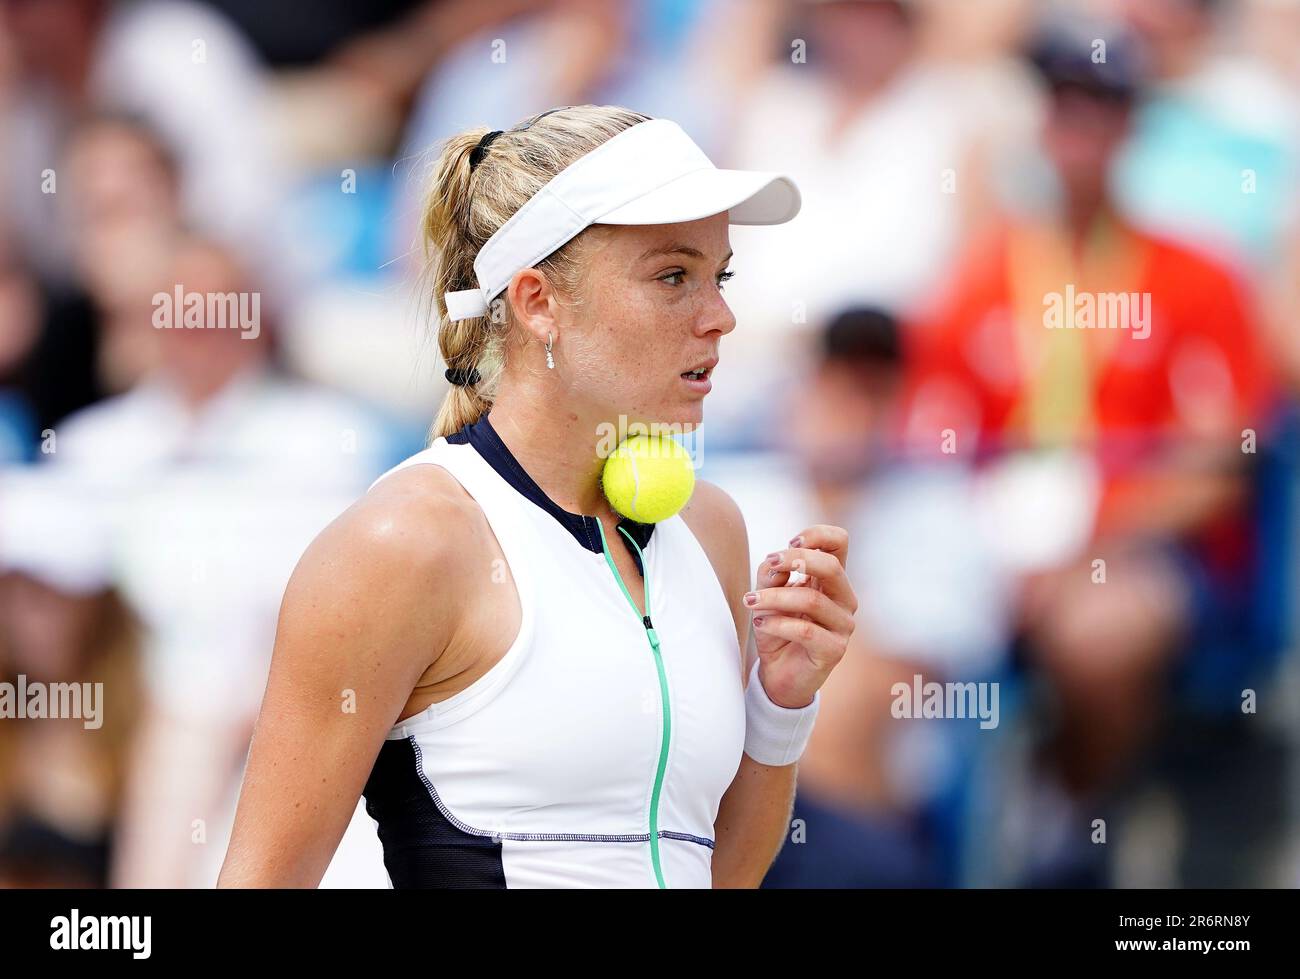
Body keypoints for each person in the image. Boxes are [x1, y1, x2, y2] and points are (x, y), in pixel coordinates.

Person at [217, 105, 859, 889]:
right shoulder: (404, 541)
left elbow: (722, 873)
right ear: (537, 302)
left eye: (718, 276)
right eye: (672, 276)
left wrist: (780, 707)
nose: (720, 316)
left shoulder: (712, 527)